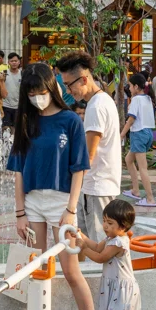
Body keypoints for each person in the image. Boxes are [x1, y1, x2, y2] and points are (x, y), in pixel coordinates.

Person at [7, 63, 92, 310]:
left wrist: (71, 209)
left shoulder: (71, 121)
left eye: (40, 91)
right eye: (30, 94)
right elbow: (18, 171)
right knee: (37, 269)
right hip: (33, 203)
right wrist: (20, 213)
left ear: (51, 87)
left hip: (61, 202)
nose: (36, 98)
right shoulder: (25, 121)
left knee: (70, 271)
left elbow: (79, 168)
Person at [57, 53, 123, 246]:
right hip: (98, 185)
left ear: (84, 79)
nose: (68, 90)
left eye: (69, 85)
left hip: (96, 186)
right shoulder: (102, 100)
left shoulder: (96, 107)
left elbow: (88, 156)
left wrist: (71, 190)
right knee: (88, 244)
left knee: (99, 245)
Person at [69, 198, 141, 310]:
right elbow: (97, 247)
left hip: (122, 289)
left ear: (123, 226)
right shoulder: (111, 238)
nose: (105, 226)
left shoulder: (118, 243)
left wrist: (84, 249)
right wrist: (81, 236)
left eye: (110, 223)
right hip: (117, 286)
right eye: (104, 221)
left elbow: (100, 257)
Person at [123, 72, 156, 207]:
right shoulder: (148, 98)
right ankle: (135, 190)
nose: (130, 88)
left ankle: (150, 198)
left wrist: (121, 134)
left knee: (142, 168)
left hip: (138, 134)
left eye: (131, 86)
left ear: (136, 87)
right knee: (128, 160)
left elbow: (131, 119)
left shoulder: (136, 100)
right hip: (148, 133)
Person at [2, 52, 23, 126]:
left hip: (18, 106)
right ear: (8, 62)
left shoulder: (22, 74)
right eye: (12, 61)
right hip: (5, 105)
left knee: (16, 128)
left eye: (16, 61)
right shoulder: (3, 73)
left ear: (19, 62)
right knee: (5, 128)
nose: (14, 63)